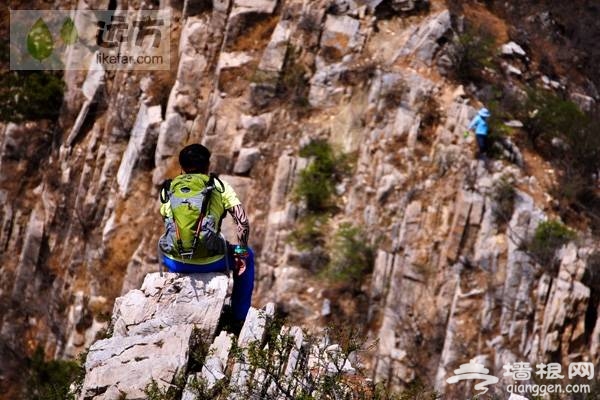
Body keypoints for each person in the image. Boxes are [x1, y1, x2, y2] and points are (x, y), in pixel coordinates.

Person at [158, 144, 253, 323]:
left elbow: (169, 226)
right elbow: (242, 222)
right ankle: (239, 316)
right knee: (248, 256)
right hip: (212, 260)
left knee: (171, 251)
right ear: (207, 165)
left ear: (181, 167)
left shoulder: (168, 189)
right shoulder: (219, 187)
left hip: (177, 262)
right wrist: (241, 252)